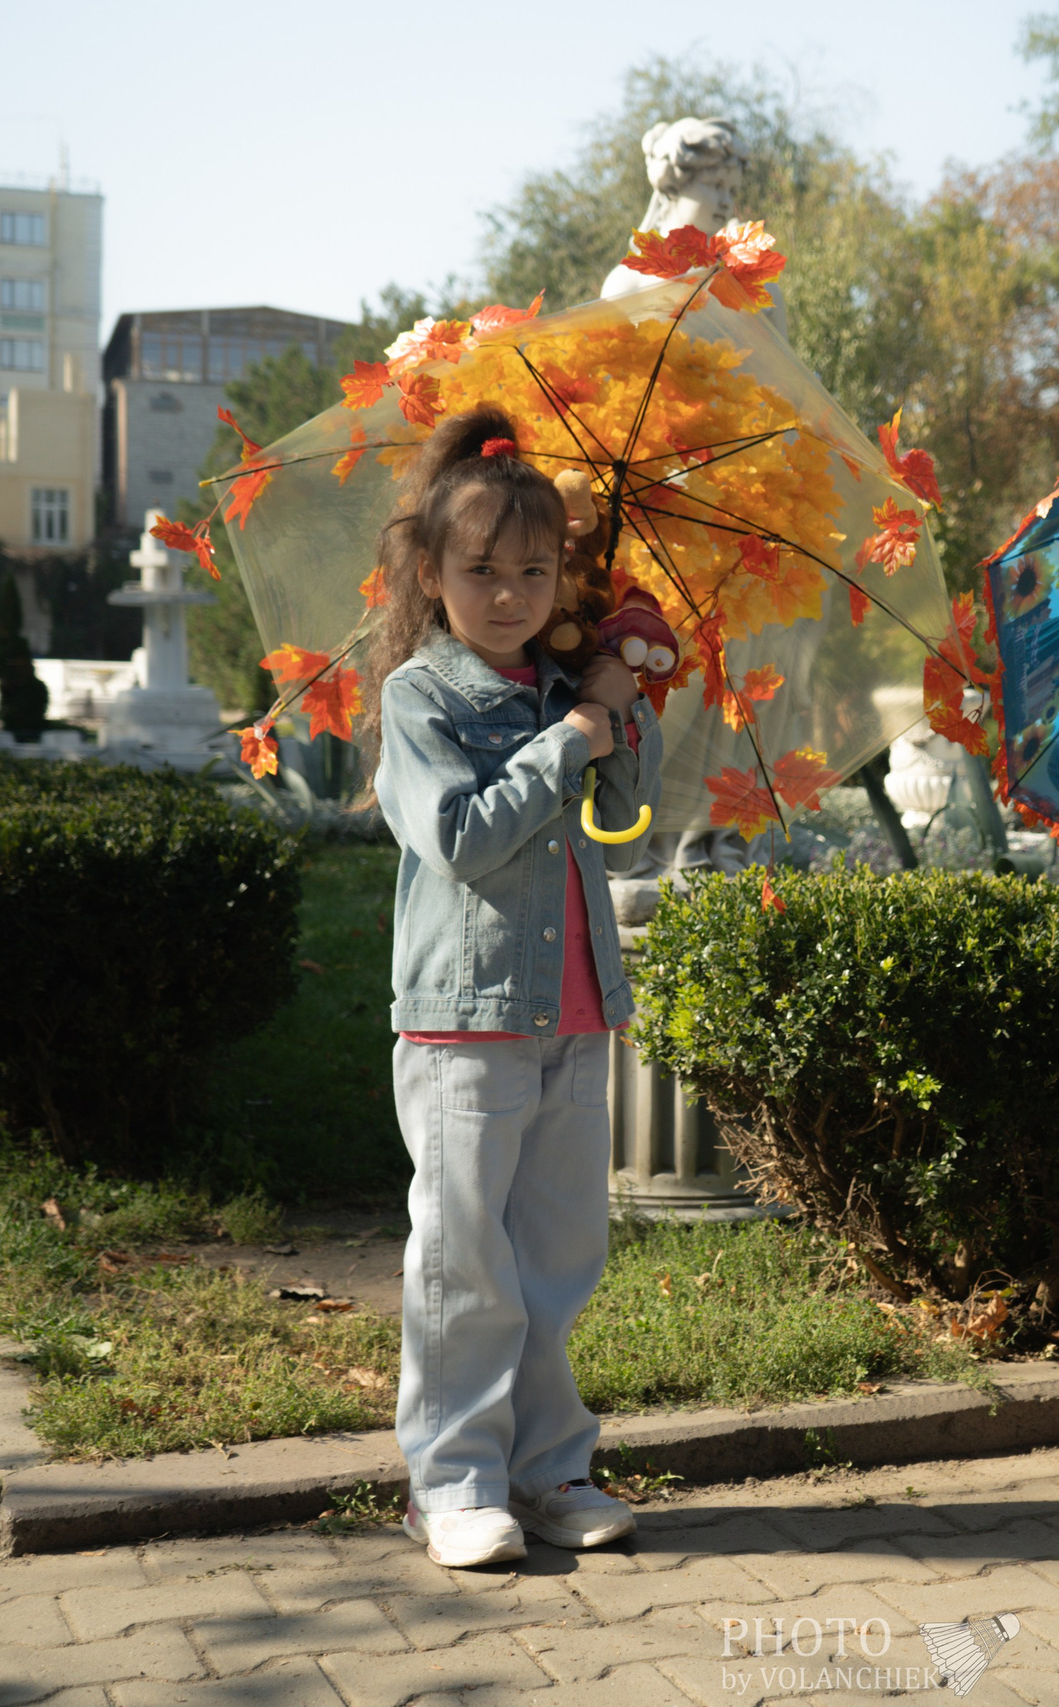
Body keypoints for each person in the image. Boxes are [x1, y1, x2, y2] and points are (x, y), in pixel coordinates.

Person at [365, 403, 662, 1568]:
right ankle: (449, 1481)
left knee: (554, 1259)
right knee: (462, 1259)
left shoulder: (562, 688)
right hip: (464, 1020)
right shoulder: (419, 701)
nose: (508, 594)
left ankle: (549, 1470)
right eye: (481, 570)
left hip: (575, 1012)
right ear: (431, 573)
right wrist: (571, 739)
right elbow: (461, 836)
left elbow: (625, 839)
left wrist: (615, 713)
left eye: (534, 571)